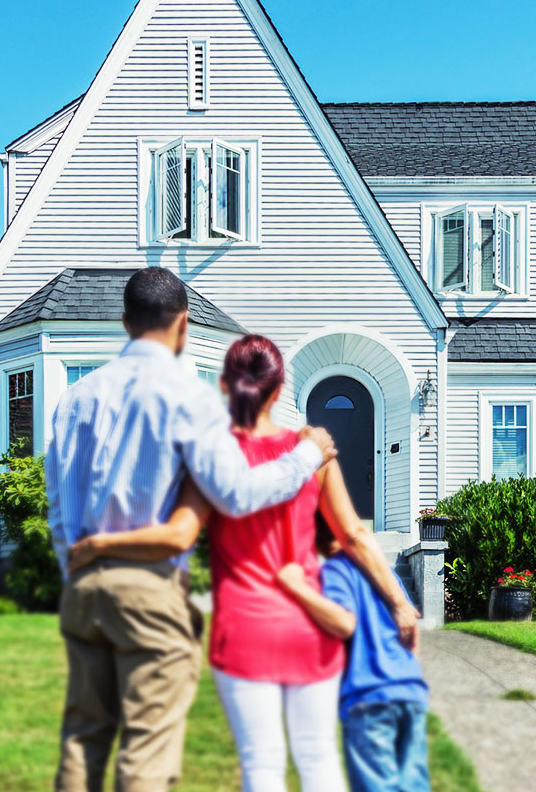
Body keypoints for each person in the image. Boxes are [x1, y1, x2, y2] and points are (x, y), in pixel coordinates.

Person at [69, 334, 419, 792]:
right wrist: (399, 603)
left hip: (243, 635)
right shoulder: (313, 454)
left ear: (223, 386)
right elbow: (353, 534)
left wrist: (101, 544)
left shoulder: (213, 462)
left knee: (262, 767)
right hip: (309, 629)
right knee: (318, 761)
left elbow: (177, 535)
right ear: (279, 390)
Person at [46, 267, 338, 792]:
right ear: (183, 325)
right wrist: (305, 457)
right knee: (147, 748)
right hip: (149, 587)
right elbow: (236, 493)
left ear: (125, 322)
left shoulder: (76, 397)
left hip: (83, 584)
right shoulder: (190, 396)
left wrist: (75, 561)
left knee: (83, 737)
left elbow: (60, 505)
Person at [277, 514, 431, 792]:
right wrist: (409, 673)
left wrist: (298, 588)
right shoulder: (383, 572)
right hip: (409, 691)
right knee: (413, 784)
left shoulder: (335, 571)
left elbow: (343, 622)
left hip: (368, 697)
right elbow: (412, 623)